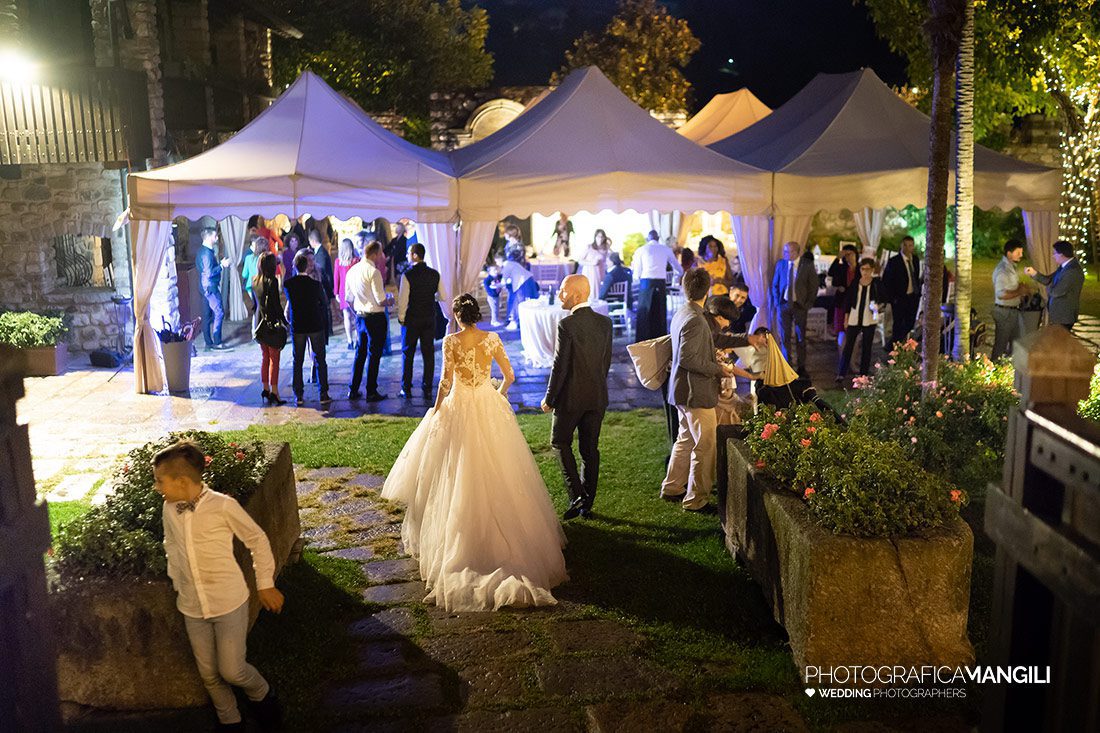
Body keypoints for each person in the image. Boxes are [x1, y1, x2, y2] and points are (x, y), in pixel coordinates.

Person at [381, 294, 568, 611]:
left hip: (460, 404)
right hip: (486, 402)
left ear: (456, 315)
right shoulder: (492, 338)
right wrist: (497, 395)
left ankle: (461, 539)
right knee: (500, 468)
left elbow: (444, 382)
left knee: (455, 469)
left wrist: (438, 410)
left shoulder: (451, 340)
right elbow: (509, 375)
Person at [153, 440, 284, 732]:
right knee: (210, 674)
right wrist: (178, 581)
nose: (157, 487)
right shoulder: (169, 508)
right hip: (191, 605)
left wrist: (265, 584)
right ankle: (230, 720)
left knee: (232, 670)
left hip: (227, 600)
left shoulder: (223, 506)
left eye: (160, 481)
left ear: (182, 480)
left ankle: (262, 694)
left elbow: (257, 539)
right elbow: (171, 545)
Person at [659, 268, 736, 512]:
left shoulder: (685, 312)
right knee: (705, 445)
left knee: (685, 439)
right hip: (695, 392)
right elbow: (687, 359)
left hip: (683, 390)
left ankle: (672, 487)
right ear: (708, 290)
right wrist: (718, 370)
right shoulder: (695, 319)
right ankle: (696, 499)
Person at [540, 275, 613, 520]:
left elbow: (559, 366)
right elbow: (605, 363)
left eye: (563, 290)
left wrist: (550, 398)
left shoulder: (567, 325)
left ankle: (576, 494)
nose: (560, 295)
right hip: (597, 396)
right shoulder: (605, 323)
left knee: (560, 442)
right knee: (589, 448)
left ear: (578, 295)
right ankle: (587, 502)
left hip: (570, 399)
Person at [346, 240, 393, 402]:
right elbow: (380, 300)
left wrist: (357, 313)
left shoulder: (352, 271)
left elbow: (348, 298)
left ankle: (353, 388)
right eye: (380, 253)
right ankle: (371, 390)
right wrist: (390, 301)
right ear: (374, 254)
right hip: (375, 317)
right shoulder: (373, 272)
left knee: (360, 353)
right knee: (374, 355)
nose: (382, 256)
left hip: (360, 316)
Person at [283, 251, 330, 406]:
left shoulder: (289, 285)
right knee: (320, 359)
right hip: (315, 324)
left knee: (298, 360)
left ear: (295, 267)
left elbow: (290, 302)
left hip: (298, 326)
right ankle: (323, 393)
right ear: (307, 267)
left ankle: (299, 395)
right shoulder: (315, 285)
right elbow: (324, 303)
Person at [397, 243, 443, 400]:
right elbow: (441, 296)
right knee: (428, 353)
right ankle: (427, 386)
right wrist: (430, 296)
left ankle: (406, 387)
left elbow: (403, 300)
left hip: (412, 319)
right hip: (429, 317)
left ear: (415, 255)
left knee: (407, 353)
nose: (407, 255)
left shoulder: (407, 275)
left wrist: (401, 317)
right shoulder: (434, 274)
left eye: (409, 253)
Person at [770, 241, 817, 373]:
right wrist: (777, 302)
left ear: (797, 252)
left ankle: (801, 366)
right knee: (784, 336)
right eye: (785, 251)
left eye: (789, 252)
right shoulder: (781, 264)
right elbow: (775, 285)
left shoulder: (807, 265)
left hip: (800, 305)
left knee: (800, 336)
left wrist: (808, 303)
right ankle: (787, 364)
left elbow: (813, 286)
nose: (787, 254)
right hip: (784, 304)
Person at [837, 258, 887, 381]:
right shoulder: (855, 283)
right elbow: (848, 301)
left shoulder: (876, 283)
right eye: (863, 269)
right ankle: (841, 372)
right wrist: (846, 318)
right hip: (854, 317)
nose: (865, 272)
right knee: (848, 345)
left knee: (867, 346)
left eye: (868, 269)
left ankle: (863, 374)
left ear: (872, 270)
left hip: (869, 318)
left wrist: (878, 306)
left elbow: (884, 298)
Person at [632, 229, 683, 342]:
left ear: (647, 238)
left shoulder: (641, 249)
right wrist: (677, 276)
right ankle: (660, 340)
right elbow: (678, 268)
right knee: (659, 313)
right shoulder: (665, 249)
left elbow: (637, 272)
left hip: (646, 282)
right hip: (660, 283)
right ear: (658, 238)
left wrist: (637, 278)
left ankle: (643, 340)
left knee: (645, 313)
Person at [1025, 240, 1085, 330]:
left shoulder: (1072, 271)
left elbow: (1056, 292)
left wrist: (1048, 287)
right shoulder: (1064, 267)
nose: (1053, 256)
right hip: (1059, 316)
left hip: (1064, 317)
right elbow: (1048, 280)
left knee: (1059, 343)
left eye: (1054, 253)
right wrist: (1034, 273)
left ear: (1061, 254)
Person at [252, 252, 287, 406]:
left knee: (265, 357)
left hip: (259, 322)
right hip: (271, 323)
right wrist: (284, 320)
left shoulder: (255, 281)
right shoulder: (271, 281)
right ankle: (274, 391)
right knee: (274, 359)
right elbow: (276, 305)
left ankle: (265, 388)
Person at [991, 240, 1031, 358]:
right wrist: (1020, 291)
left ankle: (1009, 369)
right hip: (1005, 312)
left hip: (1013, 310)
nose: (1021, 255)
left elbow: (1011, 288)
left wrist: (1021, 288)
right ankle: (995, 369)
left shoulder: (1011, 268)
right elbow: (1001, 294)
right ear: (1009, 254)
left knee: (1016, 342)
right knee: (1001, 344)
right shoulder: (1002, 270)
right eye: (1018, 252)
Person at [883, 236, 922, 346]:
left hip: (913, 295)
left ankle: (902, 341)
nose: (907, 248)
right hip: (899, 297)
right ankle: (895, 344)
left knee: (910, 321)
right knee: (898, 322)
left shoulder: (915, 259)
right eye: (905, 245)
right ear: (901, 245)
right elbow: (887, 280)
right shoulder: (894, 261)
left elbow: (915, 275)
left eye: (910, 245)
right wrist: (892, 298)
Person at [196, 226, 229, 350]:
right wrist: (222, 265)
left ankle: (208, 342)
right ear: (209, 237)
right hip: (210, 287)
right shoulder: (207, 254)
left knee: (206, 315)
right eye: (215, 236)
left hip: (204, 287)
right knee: (219, 312)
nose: (216, 238)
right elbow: (209, 273)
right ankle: (217, 341)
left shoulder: (201, 251)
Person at [828, 244, 859, 339]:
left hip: (856, 301)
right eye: (846, 255)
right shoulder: (842, 268)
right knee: (841, 328)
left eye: (851, 254)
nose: (848, 257)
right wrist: (838, 258)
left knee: (853, 328)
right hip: (842, 300)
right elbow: (831, 272)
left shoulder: (861, 268)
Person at [502, 251, 538, 330]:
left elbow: (503, 280)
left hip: (523, 283)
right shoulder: (514, 263)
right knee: (531, 301)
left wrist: (497, 285)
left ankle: (521, 322)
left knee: (523, 302)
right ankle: (532, 321)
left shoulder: (507, 264)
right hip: (529, 280)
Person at [334, 238, 359, 350]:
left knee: (346, 317)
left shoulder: (338, 262)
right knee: (356, 316)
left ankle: (349, 340)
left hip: (343, 291)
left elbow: (336, 278)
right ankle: (358, 339)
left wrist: (336, 292)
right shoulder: (356, 260)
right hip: (354, 291)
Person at [578, 229, 610, 302]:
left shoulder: (605, 248)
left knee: (598, 292)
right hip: (589, 272)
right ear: (595, 237)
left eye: (602, 237)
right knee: (589, 292)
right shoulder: (589, 247)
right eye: (598, 236)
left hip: (599, 273)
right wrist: (591, 263)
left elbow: (608, 259)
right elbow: (580, 261)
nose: (600, 239)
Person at [483, 255, 505, 327]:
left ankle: (496, 319)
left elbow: (503, 274)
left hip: (497, 295)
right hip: (492, 297)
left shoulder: (498, 276)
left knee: (497, 308)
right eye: (493, 270)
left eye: (496, 269)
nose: (495, 271)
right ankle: (494, 321)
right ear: (489, 272)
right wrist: (493, 293)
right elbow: (487, 289)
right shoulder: (487, 280)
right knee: (494, 309)